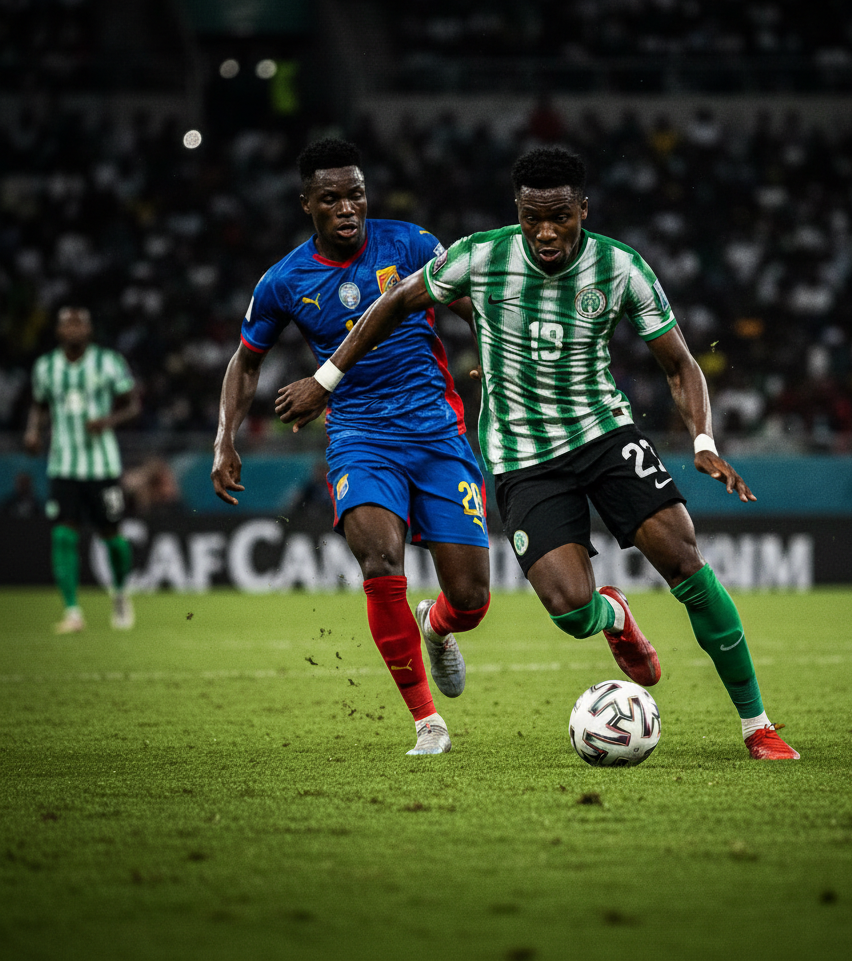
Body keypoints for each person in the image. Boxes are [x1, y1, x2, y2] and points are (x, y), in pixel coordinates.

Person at [276, 146, 800, 761]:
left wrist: (704, 441)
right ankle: (612, 615)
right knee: (569, 610)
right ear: (517, 211)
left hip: (604, 434)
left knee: (684, 558)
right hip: (525, 459)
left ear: (583, 209)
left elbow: (681, 364)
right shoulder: (480, 255)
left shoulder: (621, 266)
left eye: (560, 218)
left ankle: (757, 725)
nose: (546, 233)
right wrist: (327, 380)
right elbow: (392, 303)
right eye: (532, 218)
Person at [211, 138, 490, 756]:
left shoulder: (413, 244)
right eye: (330, 198)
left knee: (470, 598)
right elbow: (245, 362)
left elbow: (474, 308)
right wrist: (224, 439)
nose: (347, 208)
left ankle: (438, 626)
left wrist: (497, 358)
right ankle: (426, 721)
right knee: (380, 561)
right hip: (360, 435)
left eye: (355, 193)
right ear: (305, 203)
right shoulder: (284, 280)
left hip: (438, 431)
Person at [23, 306, 140, 632]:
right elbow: (39, 405)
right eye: (67, 323)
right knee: (63, 535)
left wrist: (107, 421)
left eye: (79, 323)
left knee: (113, 538)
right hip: (63, 466)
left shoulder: (109, 362)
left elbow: (133, 405)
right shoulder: (46, 367)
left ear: (89, 330)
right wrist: (33, 431)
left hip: (103, 466)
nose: (73, 328)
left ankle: (119, 592)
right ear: (58, 331)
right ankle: (73, 612)